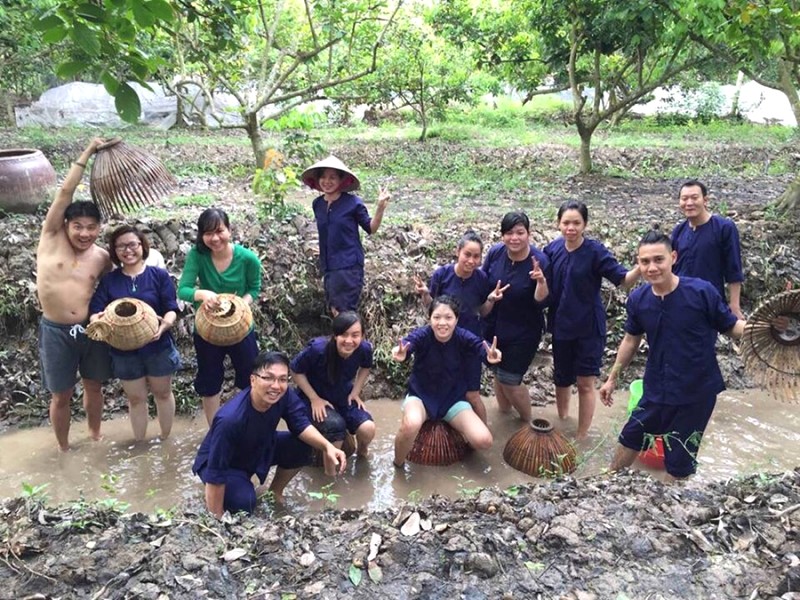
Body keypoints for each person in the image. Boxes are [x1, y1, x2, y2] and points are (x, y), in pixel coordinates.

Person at [598, 227, 769, 481]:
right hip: (657, 387)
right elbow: (631, 340)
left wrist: (764, 328)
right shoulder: (638, 299)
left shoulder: (701, 292)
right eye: (645, 262)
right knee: (631, 435)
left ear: (673, 258)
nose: (652, 267)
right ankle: (608, 482)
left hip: (696, 391)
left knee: (679, 462)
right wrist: (612, 378)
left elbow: (731, 327)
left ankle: (672, 505)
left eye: (659, 260)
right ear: (638, 263)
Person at [192, 351, 347, 516]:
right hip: (226, 462)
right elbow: (216, 471)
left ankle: (274, 492)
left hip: (258, 446)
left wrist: (327, 447)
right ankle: (220, 495)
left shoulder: (283, 394)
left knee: (301, 445)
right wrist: (216, 518)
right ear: (253, 380)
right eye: (268, 378)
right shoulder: (230, 419)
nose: (276, 386)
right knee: (244, 503)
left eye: (282, 379)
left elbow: (300, 424)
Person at [36, 138, 112, 451]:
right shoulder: (51, 238)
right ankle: (64, 449)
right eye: (78, 226)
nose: (84, 233)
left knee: (94, 386)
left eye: (91, 227)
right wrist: (88, 152)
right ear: (66, 224)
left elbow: (113, 290)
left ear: (99, 228)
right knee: (61, 394)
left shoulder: (102, 257)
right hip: (55, 331)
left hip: (91, 330)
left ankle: (95, 436)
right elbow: (65, 192)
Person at [544, 201, 640, 439]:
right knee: (561, 379)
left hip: (588, 329)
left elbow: (623, 280)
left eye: (576, 223)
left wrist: (642, 266)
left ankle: (581, 436)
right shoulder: (552, 250)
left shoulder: (595, 252)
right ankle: (563, 421)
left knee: (586, 383)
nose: (571, 228)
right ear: (558, 224)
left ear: (585, 224)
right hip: (560, 326)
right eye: (566, 223)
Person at [89, 225, 180, 441]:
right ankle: (140, 443)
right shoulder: (110, 280)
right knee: (136, 398)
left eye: (132, 244)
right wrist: (98, 323)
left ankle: (165, 439)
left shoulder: (158, 275)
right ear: (114, 251)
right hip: (123, 350)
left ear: (142, 246)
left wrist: (164, 326)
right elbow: (95, 312)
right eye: (121, 246)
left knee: (163, 393)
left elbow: (171, 308)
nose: (127, 250)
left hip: (157, 345)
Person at [391, 296, 501, 468]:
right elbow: (407, 344)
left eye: (448, 317)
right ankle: (397, 464)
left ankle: (462, 449)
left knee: (484, 440)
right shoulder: (424, 334)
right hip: (421, 397)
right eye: (437, 317)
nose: (442, 323)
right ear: (430, 319)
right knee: (410, 424)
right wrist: (400, 351)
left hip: (453, 400)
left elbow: (479, 346)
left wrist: (490, 354)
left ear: (456, 319)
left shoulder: (463, 336)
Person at [177, 208, 262, 425]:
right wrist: (202, 294)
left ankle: (244, 423)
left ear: (229, 230)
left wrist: (242, 304)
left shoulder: (248, 258)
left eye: (219, 231)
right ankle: (214, 428)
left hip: (240, 327)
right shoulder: (197, 256)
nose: (214, 238)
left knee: (248, 377)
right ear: (201, 236)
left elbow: (254, 288)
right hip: (208, 328)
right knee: (209, 380)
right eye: (208, 233)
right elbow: (183, 289)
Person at [414, 230, 507, 422]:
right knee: (441, 390)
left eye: (476, 256)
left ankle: (483, 435)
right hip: (443, 341)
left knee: (472, 394)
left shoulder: (481, 279)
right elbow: (433, 308)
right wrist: (425, 294)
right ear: (458, 252)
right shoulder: (442, 274)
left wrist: (490, 300)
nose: (471, 261)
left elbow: (483, 311)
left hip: (470, 341)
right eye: (467, 255)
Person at [481, 211, 551, 423]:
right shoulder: (495, 253)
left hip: (523, 330)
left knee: (510, 380)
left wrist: (540, 282)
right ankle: (504, 417)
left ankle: (528, 422)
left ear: (528, 234)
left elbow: (543, 302)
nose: (514, 238)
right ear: (502, 235)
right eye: (509, 233)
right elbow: (483, 281)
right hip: (493, 325)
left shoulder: (539, 261)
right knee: (497, 372)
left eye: (520, 233)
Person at [301, 155, 390, 315]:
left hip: (348, 266)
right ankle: (341, 339)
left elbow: (371, 228)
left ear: (341, 180)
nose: (327, 181)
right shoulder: (318, 204)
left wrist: (380, 208)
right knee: (334, 310)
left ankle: (353, 339)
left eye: (332, 177)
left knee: (346, 312)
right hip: (328, 265)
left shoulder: (353, 203)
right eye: (323, 177)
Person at [290, 312, 375, 456]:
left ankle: (362, 453)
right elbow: (295, 370)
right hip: (311, 395)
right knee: (336, 426)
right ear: (335, 335)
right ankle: (332, 473)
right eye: (344, 335)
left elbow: (366, 367)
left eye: (355, 335)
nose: (349, 341)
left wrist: (355, 391)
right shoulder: (317, 349)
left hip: (342, 394)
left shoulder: (364, 349)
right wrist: (314, 398)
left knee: (368, 428)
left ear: (362, 336)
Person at [671, 180, 744, 319]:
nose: (689, 203)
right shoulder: (679, 231)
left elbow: (733, 268)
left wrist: (734, 306)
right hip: (679, 301)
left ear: (705, 200)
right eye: (684, 199)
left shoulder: (724, 228)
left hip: (710, 302)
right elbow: (671, 267)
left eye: (694, 197)